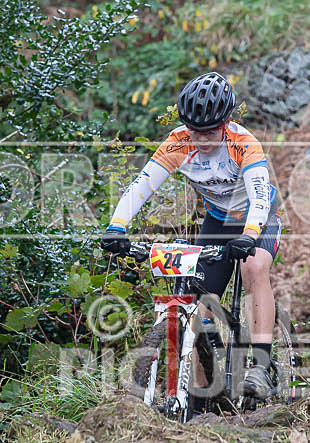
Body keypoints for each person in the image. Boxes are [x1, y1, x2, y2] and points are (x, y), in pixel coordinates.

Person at [100, 72, 281, 401]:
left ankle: (261, 365)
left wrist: (251, 234)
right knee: (198, 307)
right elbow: (141, 186)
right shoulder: (178, 142)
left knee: (254, 269)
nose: (202, 139)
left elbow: (258, 197)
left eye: (210, 131)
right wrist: (117, 226)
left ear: (226, 122)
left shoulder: (244, 145)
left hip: (258, 219)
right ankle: (200, 396)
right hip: (217, 221)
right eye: (195, 131)